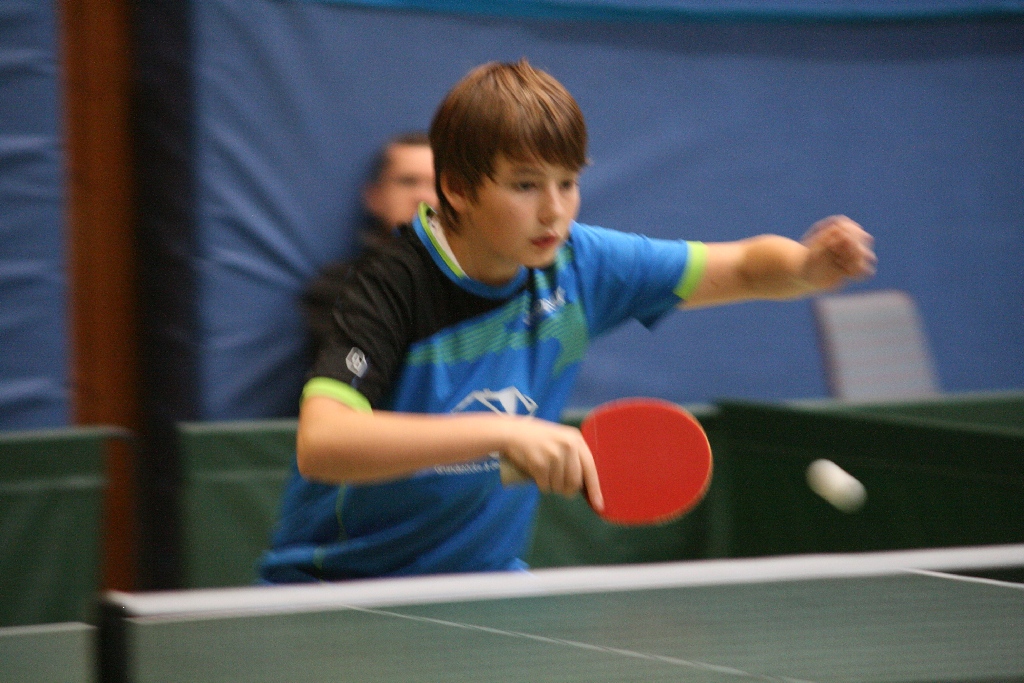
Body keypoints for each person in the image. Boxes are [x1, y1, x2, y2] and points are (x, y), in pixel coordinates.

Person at [260, 59, 876, 583]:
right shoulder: (388, 286)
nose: (554, 210)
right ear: (458, 189)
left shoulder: (580, 264)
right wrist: (502, 433)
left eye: (568, 182)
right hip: (338, 588)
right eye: (526, 185)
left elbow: (741, 267)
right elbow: (324, 444)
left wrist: (805, 267)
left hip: (483, 589)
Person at [302, 132, 437, 353]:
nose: (424, 198)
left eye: (437, 185)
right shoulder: (339, 289)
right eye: (408, 182)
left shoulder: (484, 284)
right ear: (375, 197)